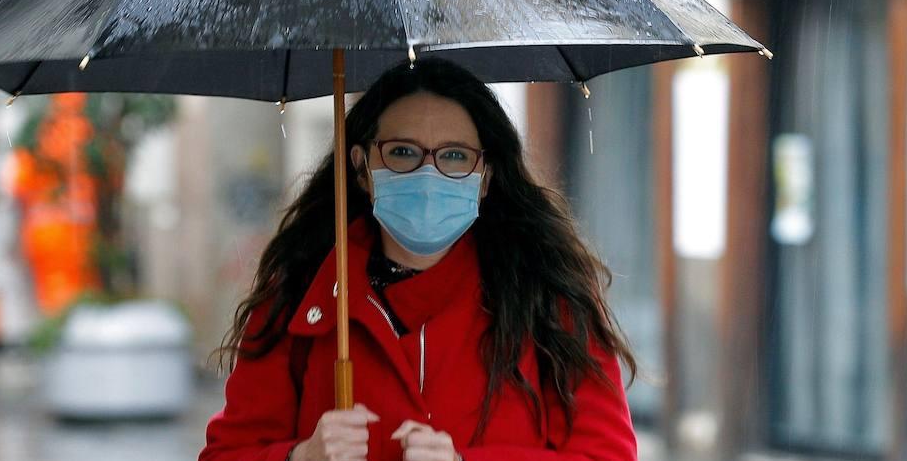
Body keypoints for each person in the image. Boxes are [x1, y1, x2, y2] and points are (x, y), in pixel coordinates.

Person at [202, 58, 637, 461]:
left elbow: (607, 453)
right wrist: (301, 456)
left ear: (485, 177)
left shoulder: (548, 294)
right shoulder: (300, 293)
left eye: (454, 156)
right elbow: (227, 452)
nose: (428, 175)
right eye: (403, 152)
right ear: (361, 166)